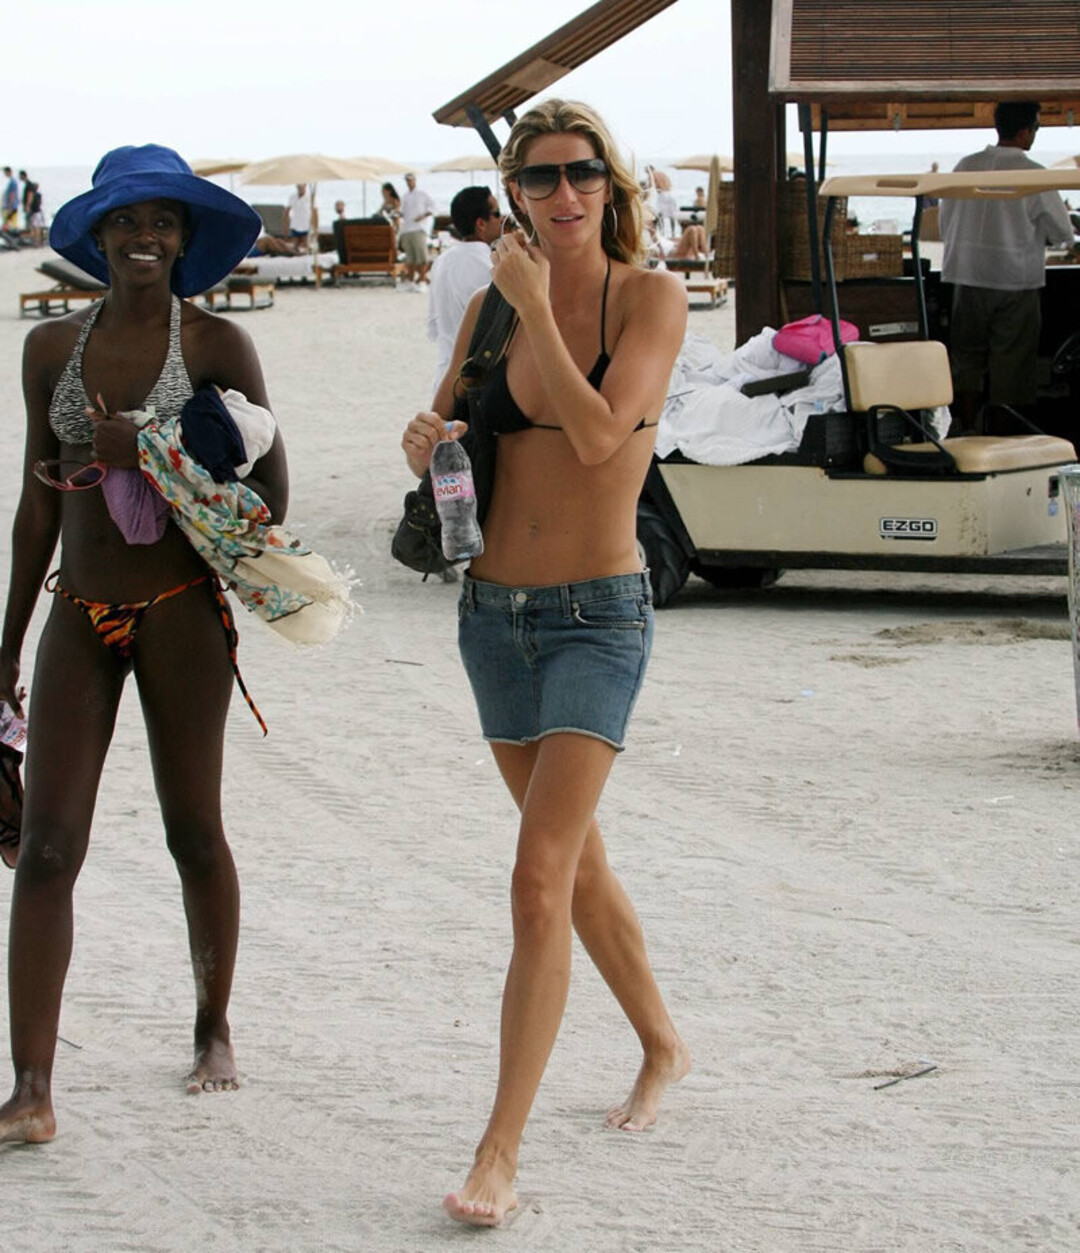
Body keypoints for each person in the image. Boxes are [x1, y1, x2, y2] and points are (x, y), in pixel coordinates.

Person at [401, 98, 690, 1228]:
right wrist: (424, 440)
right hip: (493, 618)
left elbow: (602, 433)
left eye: (582, 174)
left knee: (537, 877)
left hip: (596, 619)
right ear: (515, 193)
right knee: (577, 867)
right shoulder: (488, 306)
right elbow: (441, 430)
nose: (563, 195)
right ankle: (662, 1042)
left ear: (611, 186)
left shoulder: (649, 298)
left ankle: (498, 1153)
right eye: (540, 177)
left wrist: (535, 307)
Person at [0, 144, 288, 1145]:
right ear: (95, 234)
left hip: (178, 610)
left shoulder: (214, 345)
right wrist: (8, 644)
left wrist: (152, 452)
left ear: (186, 237)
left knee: (193, 831)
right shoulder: (49, 348)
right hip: (78, 613)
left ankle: (213, 1028)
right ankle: (31, 1087)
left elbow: (271, 494)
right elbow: (37, 506)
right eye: (125, 221)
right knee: (45, 847)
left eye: (162, 221)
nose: (144, 237)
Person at [941, 101, 1074, 432]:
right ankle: (1002, 438)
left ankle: (968, 429)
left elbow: (945, 223)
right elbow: (1062, 234)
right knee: (1011, 365)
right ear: (1027, 130)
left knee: (966, 359)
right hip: (1016, 281)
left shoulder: (965, 167)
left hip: (967, 276)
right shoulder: (1035, 175)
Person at [426, 185, 503, 395]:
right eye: (497, 213)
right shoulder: (492, 267)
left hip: (443, 377)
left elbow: (433, 326)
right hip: (478, 382)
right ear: (481, 224)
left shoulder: (441, 262)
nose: (502, 219)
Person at [398, 171, 435, 288]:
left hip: (419, 229)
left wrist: (422, 216)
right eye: (407, 180)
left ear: (415, 180)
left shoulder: (422, 194)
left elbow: (433, 207)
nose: (409, 182)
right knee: (410, 258)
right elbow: (402, 212)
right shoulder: (405, 196)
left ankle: (422, 281)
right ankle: (411, 281)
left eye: (410, 179)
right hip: (407, 229)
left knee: (422, 257)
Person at [283, 182, 314, 250]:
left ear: (305, 185)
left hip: (306, 226)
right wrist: (285, 227)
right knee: (294, 247)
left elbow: (315, 213)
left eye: (301, 186)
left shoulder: (310, 197)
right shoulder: (292, 197)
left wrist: (315, 229)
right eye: (298, 186)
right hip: (295, 225)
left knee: (306, 247)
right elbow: (286, 212)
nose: (300, 188)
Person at [2, 166, 18, 231]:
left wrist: (10, 207)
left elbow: (12, 195)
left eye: (5, 172)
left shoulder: (12, 182)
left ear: (8, 172)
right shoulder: (11, 181)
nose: (5, 174)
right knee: (8, 224)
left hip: (10, 207)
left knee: (9, 225)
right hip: (9, 206)